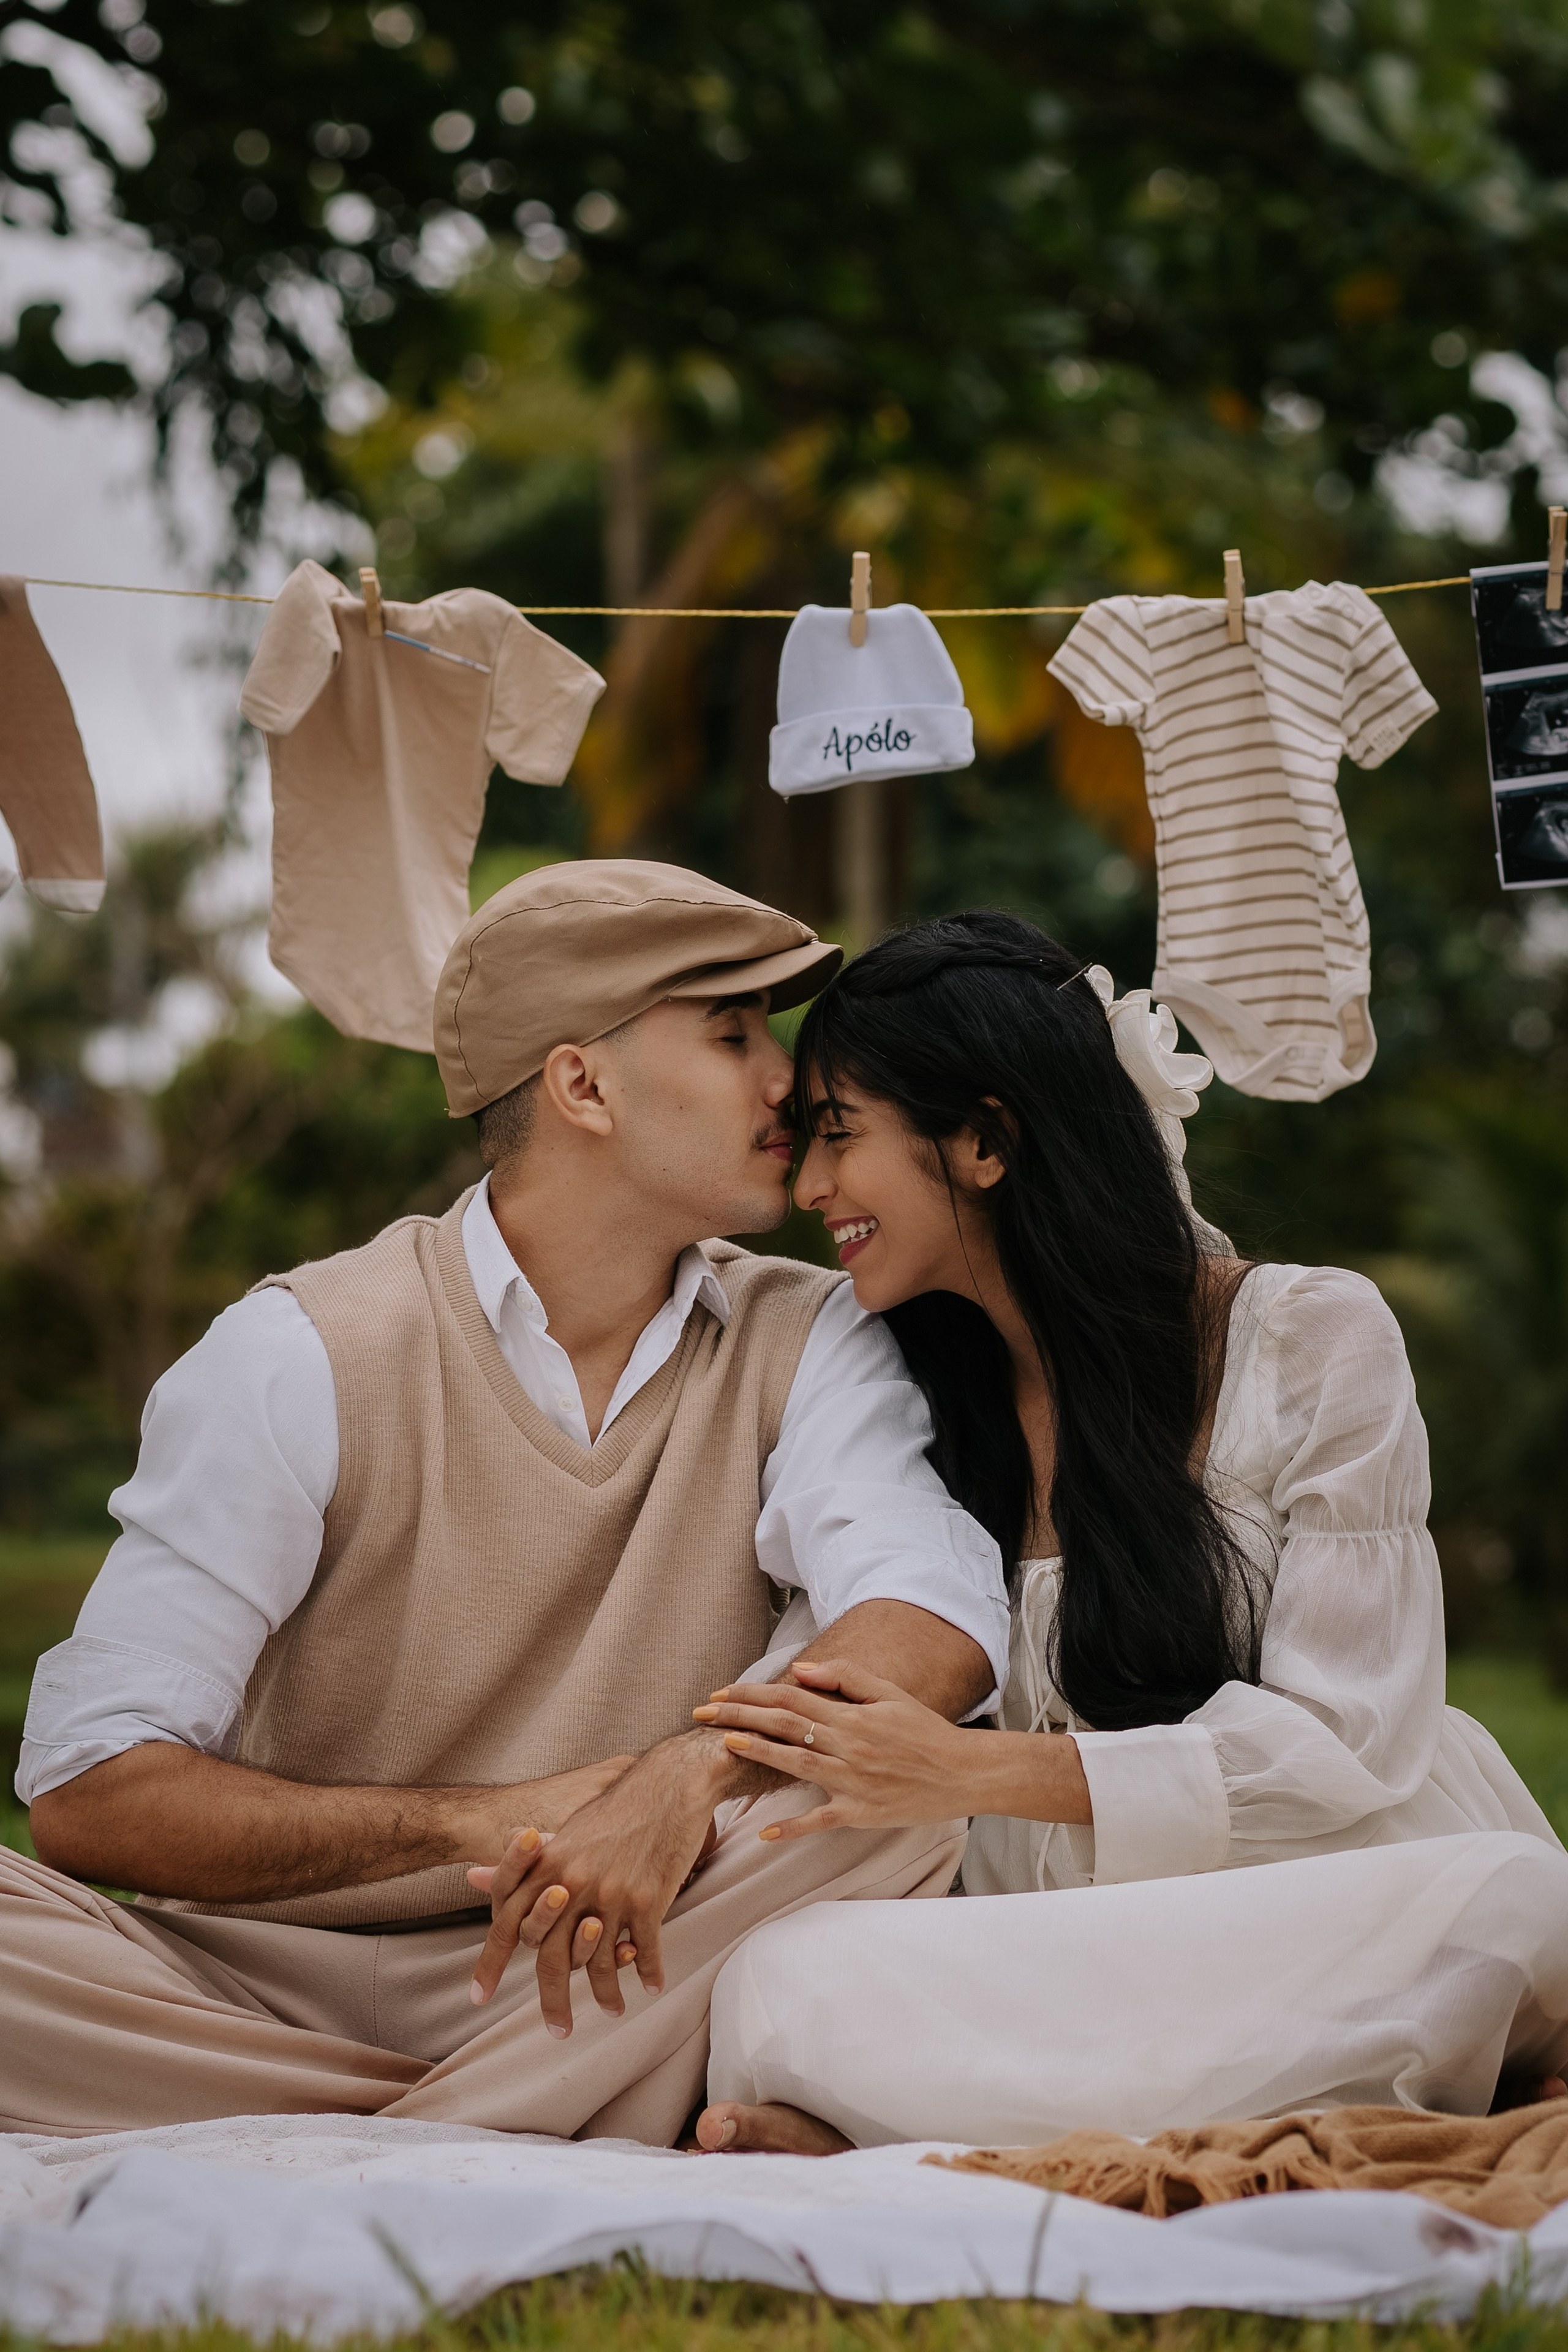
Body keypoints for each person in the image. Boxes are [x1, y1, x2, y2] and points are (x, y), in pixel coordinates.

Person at [2, 862, 1010, 2143]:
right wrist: (479, 1821)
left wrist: (680, 1774)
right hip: (243, 1987)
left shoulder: (808, 1334)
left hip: (603, 1965)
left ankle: (333, 2138)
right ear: (581, 1085)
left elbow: (928, 1624)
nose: (788, 1082)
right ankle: (504, 2128)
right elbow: (92, 1790)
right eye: (730, 1033)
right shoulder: (301, 1350)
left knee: (879, 1805)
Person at [693, 910, 1568, 2156]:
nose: (809, 1188)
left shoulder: (1310, 1340)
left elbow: (1347, 1737)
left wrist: (972, 1772)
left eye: (838, 1136)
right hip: (1049, 1946)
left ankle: (949, 2133)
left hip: (1302, 1890)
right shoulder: (902, 1390)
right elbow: (828, 1674)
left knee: (1512, 1901)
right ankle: (1193, 2111)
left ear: (986, 1140)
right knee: (776, 1985)